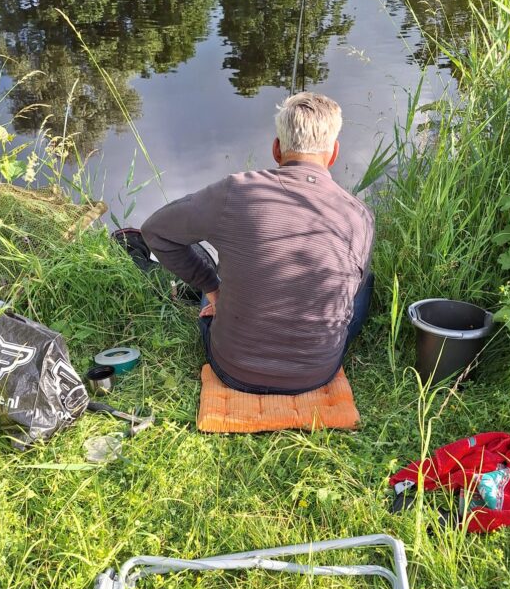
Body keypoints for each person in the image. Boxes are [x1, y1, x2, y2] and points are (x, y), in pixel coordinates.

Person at [141, 92, 374, 394]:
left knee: (219, 271)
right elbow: (349, 292)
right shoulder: (359, 215)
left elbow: (155, 232)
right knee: (365, 283)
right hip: (316, 374)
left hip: (233, 368)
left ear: (276, 149)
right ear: (334, 153)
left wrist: (213, 290)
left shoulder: (233, 191)